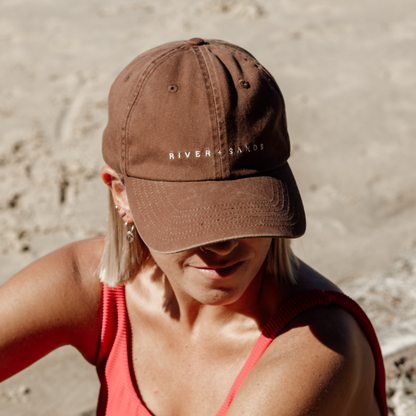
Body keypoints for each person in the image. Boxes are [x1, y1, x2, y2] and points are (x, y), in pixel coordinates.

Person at [0, 38, 387, 416]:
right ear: (121, 194)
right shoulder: (94, 286)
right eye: (191, 219)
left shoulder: (317, 347)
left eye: (243, 212)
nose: (221, 246)